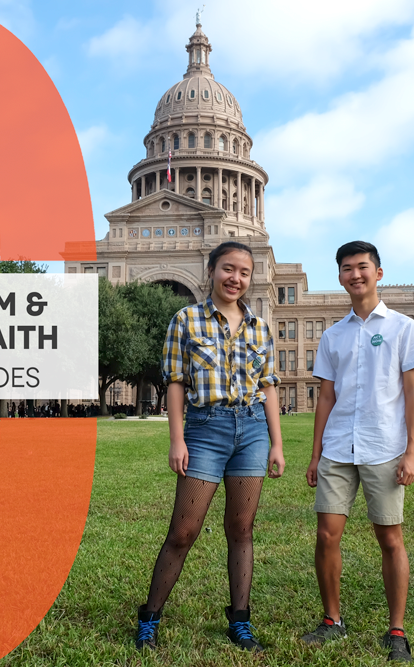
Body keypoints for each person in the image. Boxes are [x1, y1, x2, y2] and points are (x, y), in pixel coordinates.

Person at [135, 241, 285, 652]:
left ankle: (240, 621)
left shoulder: (259, 328)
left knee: (241, 530)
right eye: (228, 269)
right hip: (206, 430)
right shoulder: (185, 320)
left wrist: (276, 443)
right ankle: (149, 616)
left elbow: (268, 387)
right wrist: (177, 439)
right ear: (211, 271)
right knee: (183, 531)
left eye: (244, 272)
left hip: (251, 430)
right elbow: (176, 383)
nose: (236, 278)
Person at [301, 241, 414, 663]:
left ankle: (396, 630)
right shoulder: (333, 335)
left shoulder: (403, 328)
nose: (355, 275)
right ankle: (332, 620)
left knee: (389, 538)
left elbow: (413, 394)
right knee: (326, 536)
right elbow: (325, 397)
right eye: (347, 269)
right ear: (340, 277)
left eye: (362, 267)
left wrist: (411, 452)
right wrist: (316, 454)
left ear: (378, 272)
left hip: (384, 447)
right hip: (338, 446)